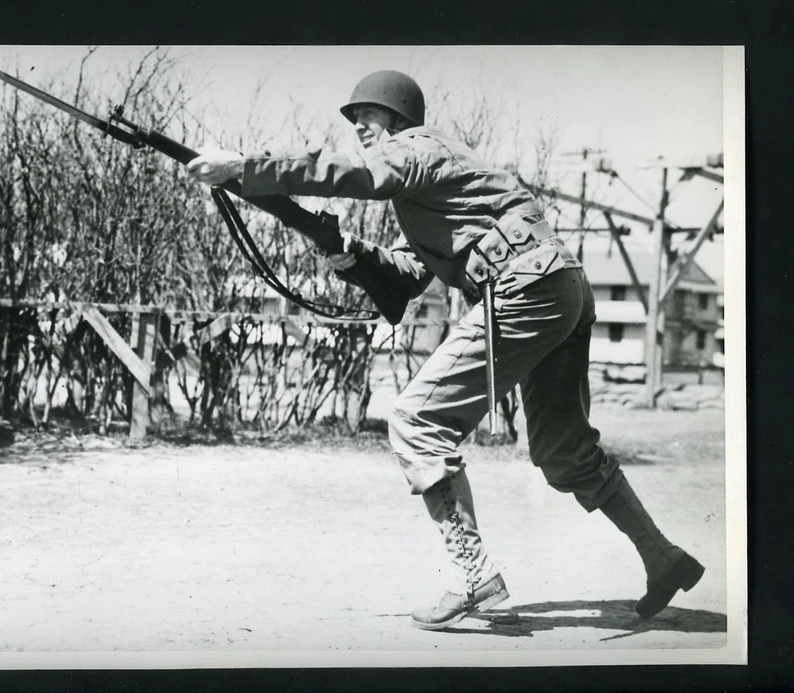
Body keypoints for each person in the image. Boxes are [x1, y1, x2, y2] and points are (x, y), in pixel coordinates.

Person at [186, 70, 705, 630]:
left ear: (398, 116)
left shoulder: (416, 148)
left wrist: (245, 167)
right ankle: (662, 556)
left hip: (523, 284)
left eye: (367, 114)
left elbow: (351, 173)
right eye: (354, 118)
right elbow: (410, 273)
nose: (358, 125)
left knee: (415, 420)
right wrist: (347, 250)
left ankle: (474, 575)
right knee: (564, 452)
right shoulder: (429, 190)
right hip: (557, 286)